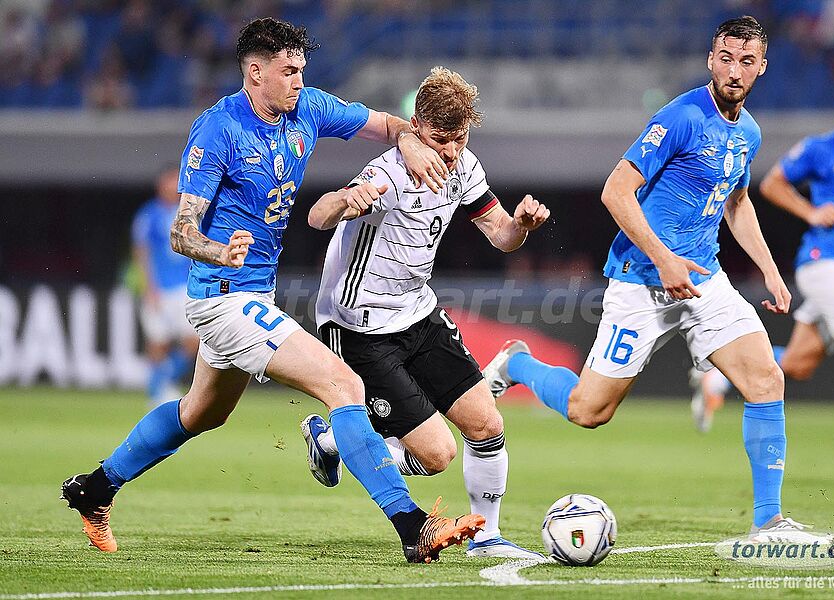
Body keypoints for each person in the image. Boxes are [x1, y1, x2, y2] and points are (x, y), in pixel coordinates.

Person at [60, 17, 484, 563]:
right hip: (222, 295)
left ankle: (94, 489)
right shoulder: (218, 129)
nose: (299, 81)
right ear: (255, 72)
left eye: (302, 69)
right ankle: (413, 526)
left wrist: (409, 141)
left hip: (254, 295)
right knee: (344, 385)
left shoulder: (308, 108)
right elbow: (181, 231)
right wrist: (219, 251)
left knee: (201, 413)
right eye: (288, 71)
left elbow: (385, 123)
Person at [484, 16, 807, 539]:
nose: (734, 70)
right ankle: (515, 362)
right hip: (642, 280)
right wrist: (664, 259)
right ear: (711, 59)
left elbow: (738, 202)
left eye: (747, 61)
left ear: (762, 67)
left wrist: (770, 270)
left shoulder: (748, 131)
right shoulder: (681, 117)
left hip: (704, 280)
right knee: (589, 411)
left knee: (767, 378)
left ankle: (768, 520)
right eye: (726, 58)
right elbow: (615, 190)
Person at [300, 67, 550, 559]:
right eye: (440, 140)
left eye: (460, 139)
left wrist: (521, 225)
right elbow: (317, 216)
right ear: (415, 126)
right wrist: (346, 200)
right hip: (360, 328)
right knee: (437, 455)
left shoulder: (464, 167)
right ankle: (339, 442)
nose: (451, 152)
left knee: (487, 424)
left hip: (418, 312)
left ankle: (487, 538)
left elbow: (501, 235)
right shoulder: (388, 174)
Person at [689, 67, 834, 477]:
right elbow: (772, 184)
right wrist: (811, 212)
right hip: (823, 265)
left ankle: (719, 378)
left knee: (800, 364)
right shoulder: (823, 148)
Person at [131, 165, 198, 406]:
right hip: (159, 288)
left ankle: (162, 381)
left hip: (185, 288)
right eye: (169, 181)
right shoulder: (149, 214)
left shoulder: (191, 213)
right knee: (158, 342)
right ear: (161, 185)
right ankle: (157, 393)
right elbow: (141, 252)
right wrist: (149, 287)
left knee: (194, 341)